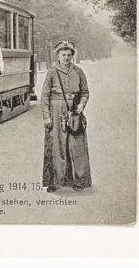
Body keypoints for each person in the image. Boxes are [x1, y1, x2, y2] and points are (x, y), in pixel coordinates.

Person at [41, 41, 91, 193]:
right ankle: (54, 182)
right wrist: (47, 117)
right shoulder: (51, 72)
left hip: (74, 111)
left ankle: (79, 181)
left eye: (69, 55)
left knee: (77, 147)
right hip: (56, 111)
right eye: (63, 55)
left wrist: (82, 105)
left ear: (72, 56)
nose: (66, 58)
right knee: (56, 146)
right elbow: (44, 96)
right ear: (58, 55)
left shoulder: (78, 71)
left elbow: (85, 92)